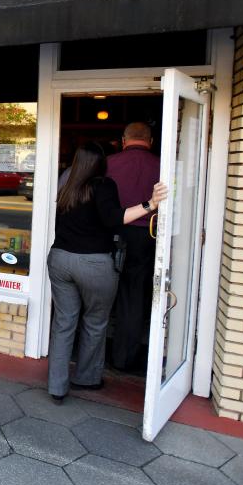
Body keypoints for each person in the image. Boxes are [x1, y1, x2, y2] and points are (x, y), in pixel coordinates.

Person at [47, 142, 167, 403]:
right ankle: (86, 378)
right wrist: (151, 204)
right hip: (94, 265)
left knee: (64, 322)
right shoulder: (103, 185)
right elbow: (115, 218)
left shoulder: (65, 183)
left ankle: (56, 386)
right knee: (95, 320)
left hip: (59, 260)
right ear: (101, 164)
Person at [106, 122, 161, 373]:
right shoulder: (162, 164)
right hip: (146, 235)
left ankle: (97, 349)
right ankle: (125, 356)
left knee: (103, 290)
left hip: (112, 232)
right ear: (149, 140)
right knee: (134, 295)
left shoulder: (108, 163)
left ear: (124, 140)